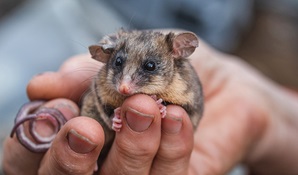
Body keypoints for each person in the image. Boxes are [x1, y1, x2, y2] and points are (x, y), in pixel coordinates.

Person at [2, 36, 298, 175]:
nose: (125, 85)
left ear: (176, 54)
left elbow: (189, 109)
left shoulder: (183, 80)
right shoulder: (109, 80)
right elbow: (103, 99)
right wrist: (112, 118)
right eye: (118, 65)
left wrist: (265, 112)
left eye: (149, 67)